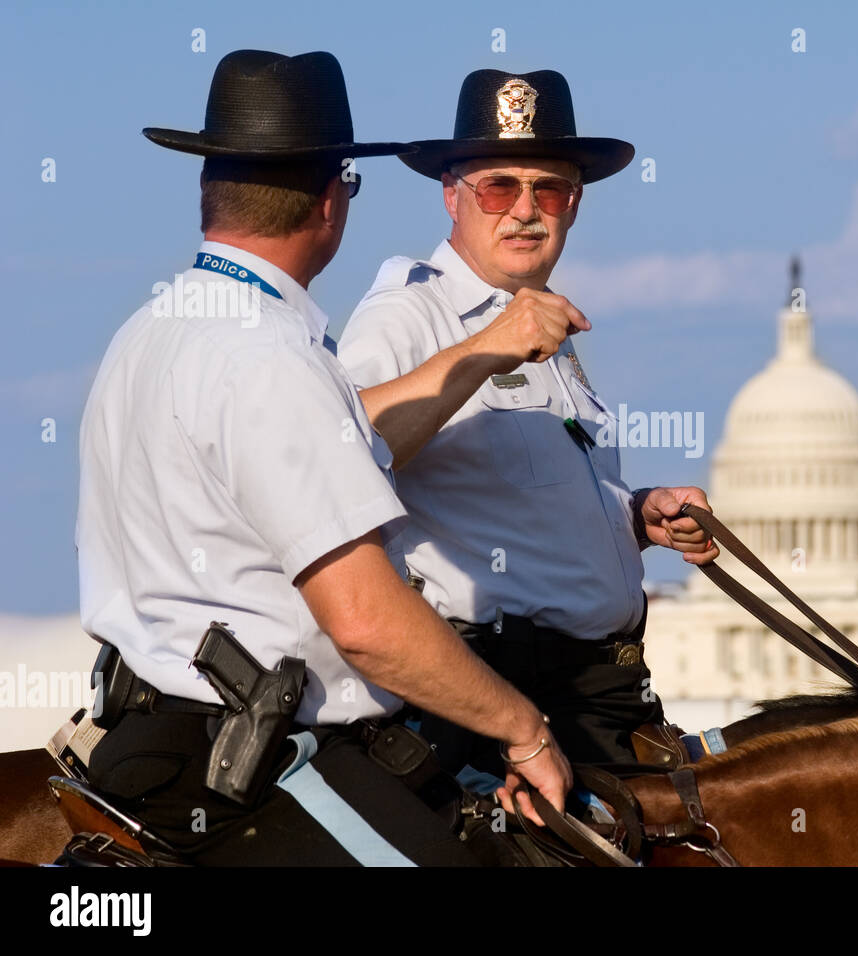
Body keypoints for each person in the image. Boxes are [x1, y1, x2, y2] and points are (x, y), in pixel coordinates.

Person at [75, 50, 568, 866]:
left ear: (209, 189)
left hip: (151, 742)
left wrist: (482, 352)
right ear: (335, 199)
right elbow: (368, 626)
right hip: (242, 772)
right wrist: (523, 729)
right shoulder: (271, 356)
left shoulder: (149, 332)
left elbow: (364, 446)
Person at [338, 69, 719, 786]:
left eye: (549, 190)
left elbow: (517, 492)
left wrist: (638, 516)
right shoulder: (412, 311)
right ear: (451, 193)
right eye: (498, 188)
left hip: (603, 694)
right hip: (493, 707)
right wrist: (488, 350)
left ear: (573, 205)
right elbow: (345, 452)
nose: (525, 212)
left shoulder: (537, 312)